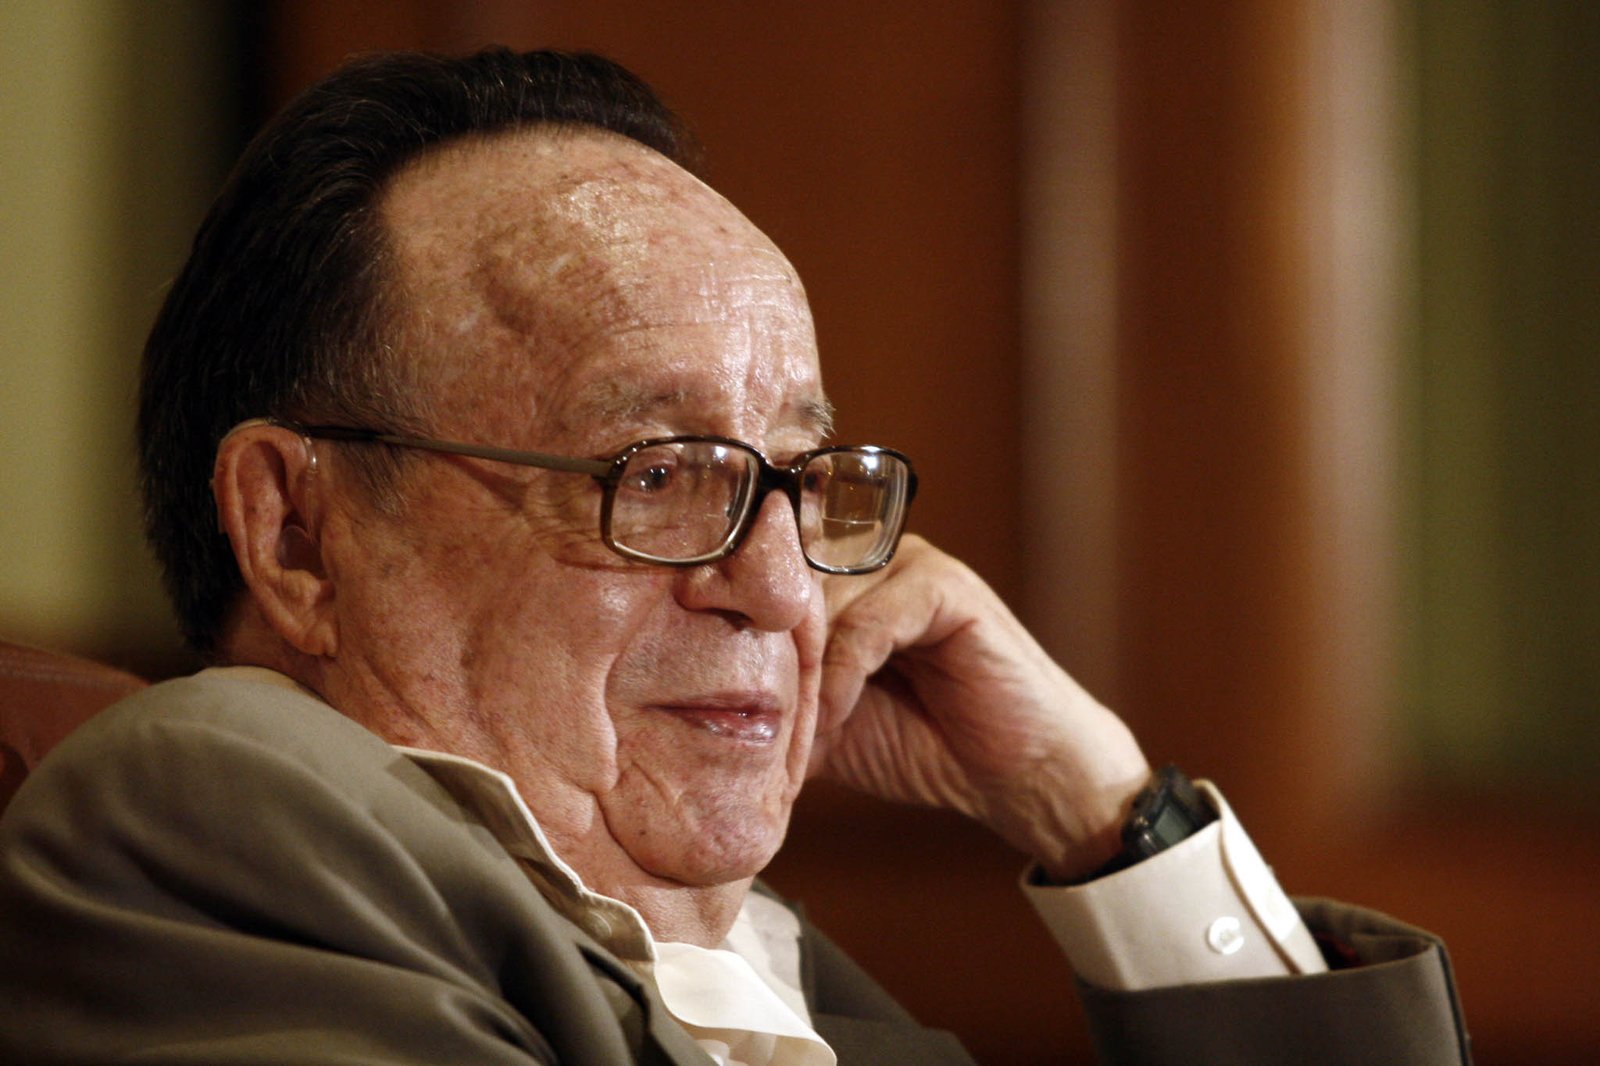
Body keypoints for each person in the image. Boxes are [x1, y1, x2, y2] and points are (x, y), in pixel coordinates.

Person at [0, 48, 1469, 1065]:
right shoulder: (206, 822)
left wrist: (1104, 815)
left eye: (802, 480)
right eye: (658, 474)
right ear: (298, 535)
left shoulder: (779, 967)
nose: (780, 589)